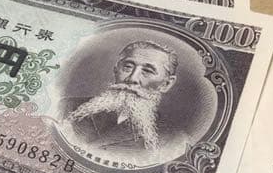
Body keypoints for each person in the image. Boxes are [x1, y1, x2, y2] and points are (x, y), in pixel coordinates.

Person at [61, 40, 190, 166]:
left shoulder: (173, 140)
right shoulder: (66, 107)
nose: (132, 78)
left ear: (166, 84)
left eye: (147, 71)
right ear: (116, 70)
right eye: (128, 67)